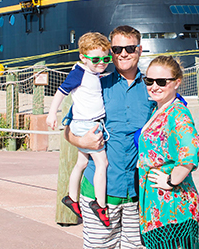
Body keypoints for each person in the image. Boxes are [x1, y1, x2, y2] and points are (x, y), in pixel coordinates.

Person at [65, 25, 153, 249]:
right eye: (117, 49)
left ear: (140, 50)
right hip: (100, 193)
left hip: (139, 193)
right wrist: (80, 142)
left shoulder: (153, 89)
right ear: (110, 52)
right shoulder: (95, 85)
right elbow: (68, 128)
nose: (124, 53)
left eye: (130, 48)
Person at [47, 32, 113, 226]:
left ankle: (71, 197)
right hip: (87, 124)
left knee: (82, 163)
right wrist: (53, 114)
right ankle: (100, 205)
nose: (101, 62)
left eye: (106, 58)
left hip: (85, 122)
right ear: (83, 57)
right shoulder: (80, 72)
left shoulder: (92, 72)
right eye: (96, 59)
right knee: (102, 163)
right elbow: (61, 91)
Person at [138, 55, 199, 249]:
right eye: (149, 81)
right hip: (156, 204)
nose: (154, 86)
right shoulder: (157, 109)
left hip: (172, 204)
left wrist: (171, 180)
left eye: (161, 81)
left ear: (176, 83)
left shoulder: (178, 112)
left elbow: (191, 151)